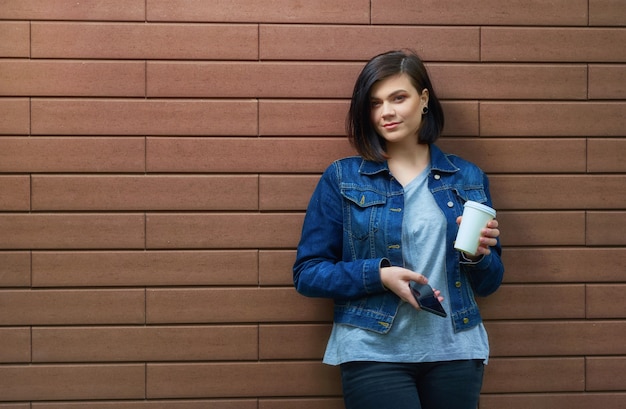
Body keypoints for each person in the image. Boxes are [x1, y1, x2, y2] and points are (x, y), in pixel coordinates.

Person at [293, 49, 504, 409]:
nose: (386, 112)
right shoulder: (342, 178)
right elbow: (308, 273)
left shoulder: (467, 178)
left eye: (398, 97)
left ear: (423, 100)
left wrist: (477, 256)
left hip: (456, 349)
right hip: (373, 350)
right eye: (375, 103)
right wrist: (380, 276)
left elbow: (489, 283)